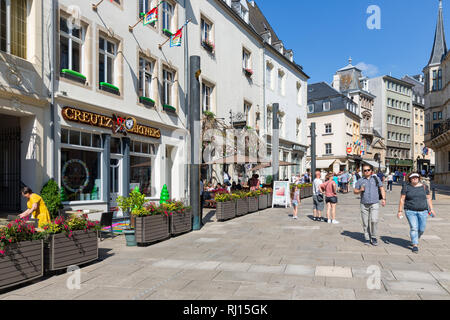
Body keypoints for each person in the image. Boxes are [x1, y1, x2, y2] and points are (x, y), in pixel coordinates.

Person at [397, 173, 436, 253]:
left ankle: (415, 238)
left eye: (416, 177)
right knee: (414, 228)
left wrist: (431, 209)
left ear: (419, 178)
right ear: (410, 179)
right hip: (410, 211)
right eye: (412, 177)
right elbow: (402, 199)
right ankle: (415, 245)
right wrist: (400, 211)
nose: (414, 178)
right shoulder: (406, 187)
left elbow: (428, 199)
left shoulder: (424, 187)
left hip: (423, 211)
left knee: (422, 229)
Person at [354, 164, 386, 246]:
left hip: (374, 203)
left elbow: (381, 188)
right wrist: (360, 190)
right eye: (365, 170)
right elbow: (355, 191)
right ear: (363, 171)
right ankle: (367, 238)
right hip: (364, 204)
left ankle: (374, 237)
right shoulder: (360, 180)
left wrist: (384, 199)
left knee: (374, 220)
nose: (366, 171)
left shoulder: (376, 178)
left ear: (371, 171)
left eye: (368, 170)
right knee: (365, 222)